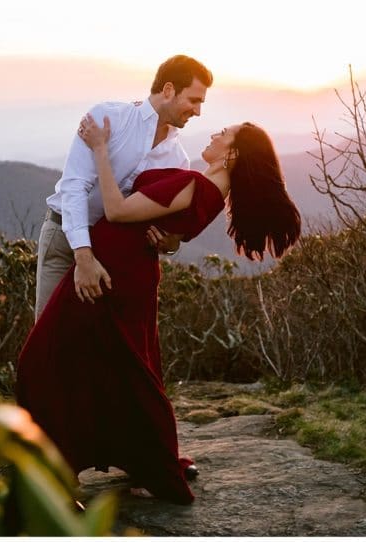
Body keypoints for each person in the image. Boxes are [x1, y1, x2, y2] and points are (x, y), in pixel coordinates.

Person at [16, 114, 302, 504]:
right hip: (125, 274)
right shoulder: (211, 189)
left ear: (233, 153)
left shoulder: (195, 184)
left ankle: (63, 468)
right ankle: (118, 458)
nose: (214, 133)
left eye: (223, 133)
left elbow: (116, 210)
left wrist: (100, 148)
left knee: (44, 360)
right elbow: (172, 233)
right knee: (120, 369)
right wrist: (169, 239)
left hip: (109, 275)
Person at [34, 54, 213, 320]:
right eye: (194, 100)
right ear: (168, 90)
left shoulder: (178, 159)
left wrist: (171, 242)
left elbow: (165, 225)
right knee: (47, 343)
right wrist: (83, 257)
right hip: (64, 240)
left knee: (93, 350)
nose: (198, 111)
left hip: (114, 255)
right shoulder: (107, 118)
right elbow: (74, 187)